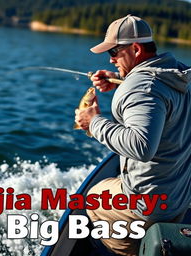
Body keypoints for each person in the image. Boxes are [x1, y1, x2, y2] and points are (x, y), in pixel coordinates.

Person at [75, 14, 191, 256]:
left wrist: (94, 122)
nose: (111, 58)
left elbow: (141, 146)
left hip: (150, 205)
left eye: (115, 52)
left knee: (92, 199)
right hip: (179, 195)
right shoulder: (177, 73)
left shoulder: (141, 89)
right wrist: (120, 79)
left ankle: (134, 251)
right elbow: (155, 93)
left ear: (136, 48)